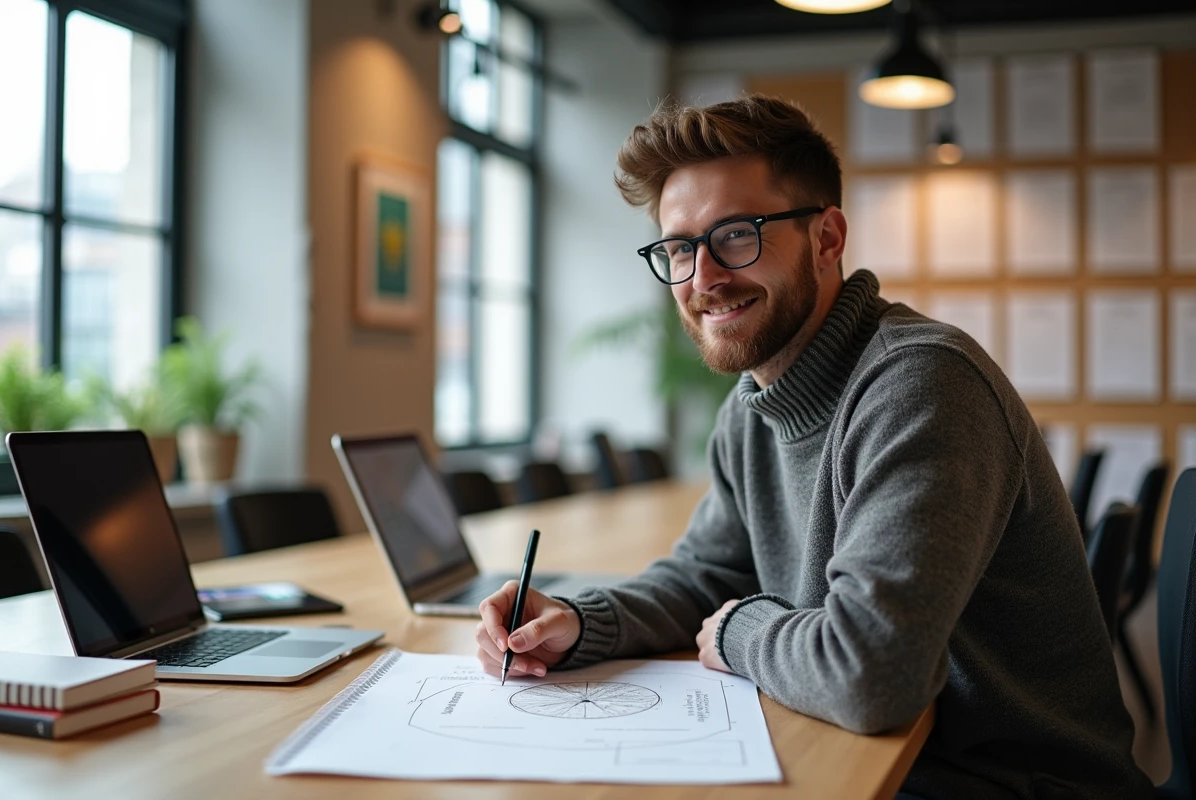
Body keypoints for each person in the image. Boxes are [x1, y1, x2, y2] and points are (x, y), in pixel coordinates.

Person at [475, 94, 1150, 799]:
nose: (703, 278)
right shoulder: (753, 407)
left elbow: (873, 674)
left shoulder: (922, 385)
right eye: (679, 248)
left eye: (736, 235)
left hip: (1007, 782)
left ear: (827, 238)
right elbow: (706, 574)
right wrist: (580, 620)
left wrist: (740, 630)